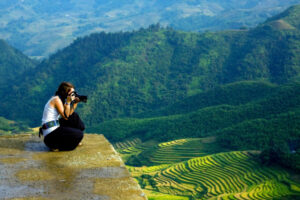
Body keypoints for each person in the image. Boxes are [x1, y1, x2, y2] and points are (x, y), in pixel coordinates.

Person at [41, 82, 85, 151]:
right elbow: (65, 116)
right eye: (72, 93)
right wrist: (68, 102)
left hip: (54, 126)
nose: (73, 95)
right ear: (65, 92)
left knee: (74, 116)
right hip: (50, 136)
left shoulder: (60, 99)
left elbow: (70, 114)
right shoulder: (56, 100)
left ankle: (75, 140)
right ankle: (59, 146)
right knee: (79, 134)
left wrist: (75, 102)